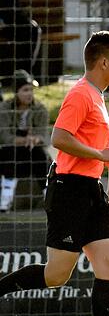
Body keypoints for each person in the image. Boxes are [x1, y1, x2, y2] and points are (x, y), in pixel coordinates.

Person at [0, 31, 109, 316]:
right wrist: (101, 155)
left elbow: (97, 152)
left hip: (91, 191)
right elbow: (59, 138)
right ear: (103, 61)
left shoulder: (97, 97)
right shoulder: (80, 94)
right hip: (68, 191)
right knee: (56, 275)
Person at [0, 70, 50, 212]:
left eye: (31, 90)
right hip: (11, 151)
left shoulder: (40, 109)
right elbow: (4, 137)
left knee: (41, 154)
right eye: (25, 90)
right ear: (16, 92)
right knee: (10, 153)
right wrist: (23, 139)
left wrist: (35, 138)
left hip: (31, 152)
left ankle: (49, 196)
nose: (29, 94)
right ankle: (6, 197)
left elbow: (44, 136)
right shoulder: (4, 108)